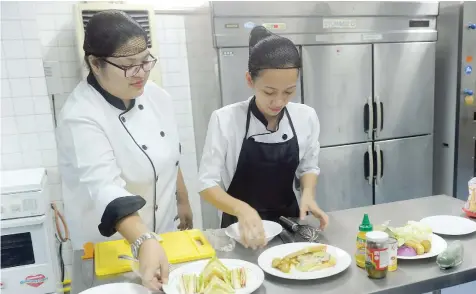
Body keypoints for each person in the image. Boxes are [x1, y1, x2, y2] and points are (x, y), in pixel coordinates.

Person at [56, 10, 192, 290]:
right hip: (110, 248)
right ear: (96, 64)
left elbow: (168, 152)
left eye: (145, 62)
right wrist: (143, 240)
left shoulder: (156, 96)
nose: (141, 73)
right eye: (129, 65)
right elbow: (106, 187)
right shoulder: (81, 115)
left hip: (159, 236)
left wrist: (182, 198)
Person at [198, 26, 329, 249]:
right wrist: (243, 210)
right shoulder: (226, 119)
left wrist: (307, 194)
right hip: (240, 230)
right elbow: (206, 184)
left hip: (290, 224)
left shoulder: (305, 117)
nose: (278, 101)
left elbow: (308, 166)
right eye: (269, 92)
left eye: (288, 91)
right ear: (250, 80)